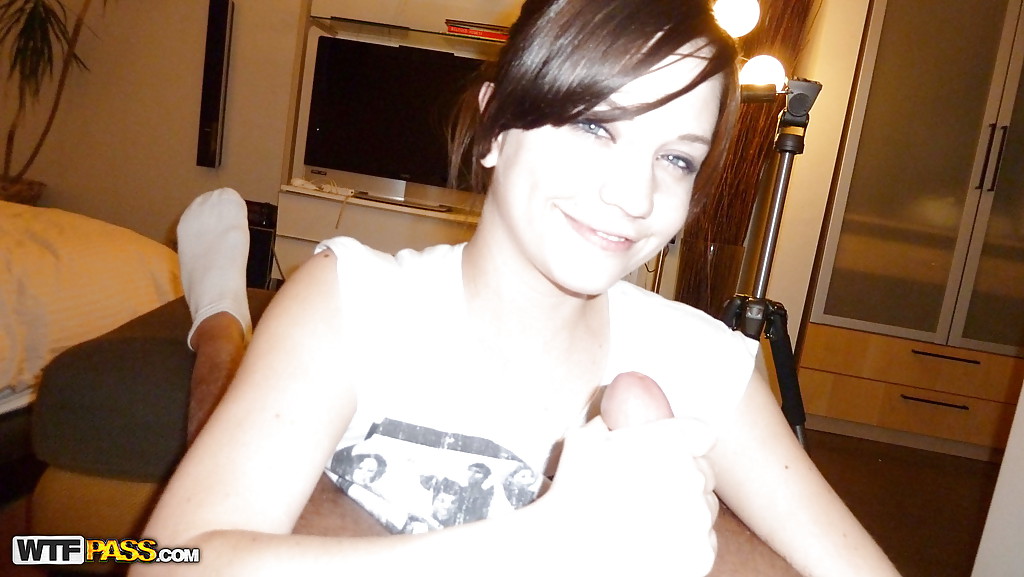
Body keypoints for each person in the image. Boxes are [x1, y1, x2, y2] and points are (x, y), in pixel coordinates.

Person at [135, 1, 903, 575]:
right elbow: (164, 557)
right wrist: (538, 545)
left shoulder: (702, 362)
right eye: (596, 126)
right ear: (496, 128)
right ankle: (221, 314)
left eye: (676, 158)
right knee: (222, 385)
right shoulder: (352, 297)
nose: (635, 196)